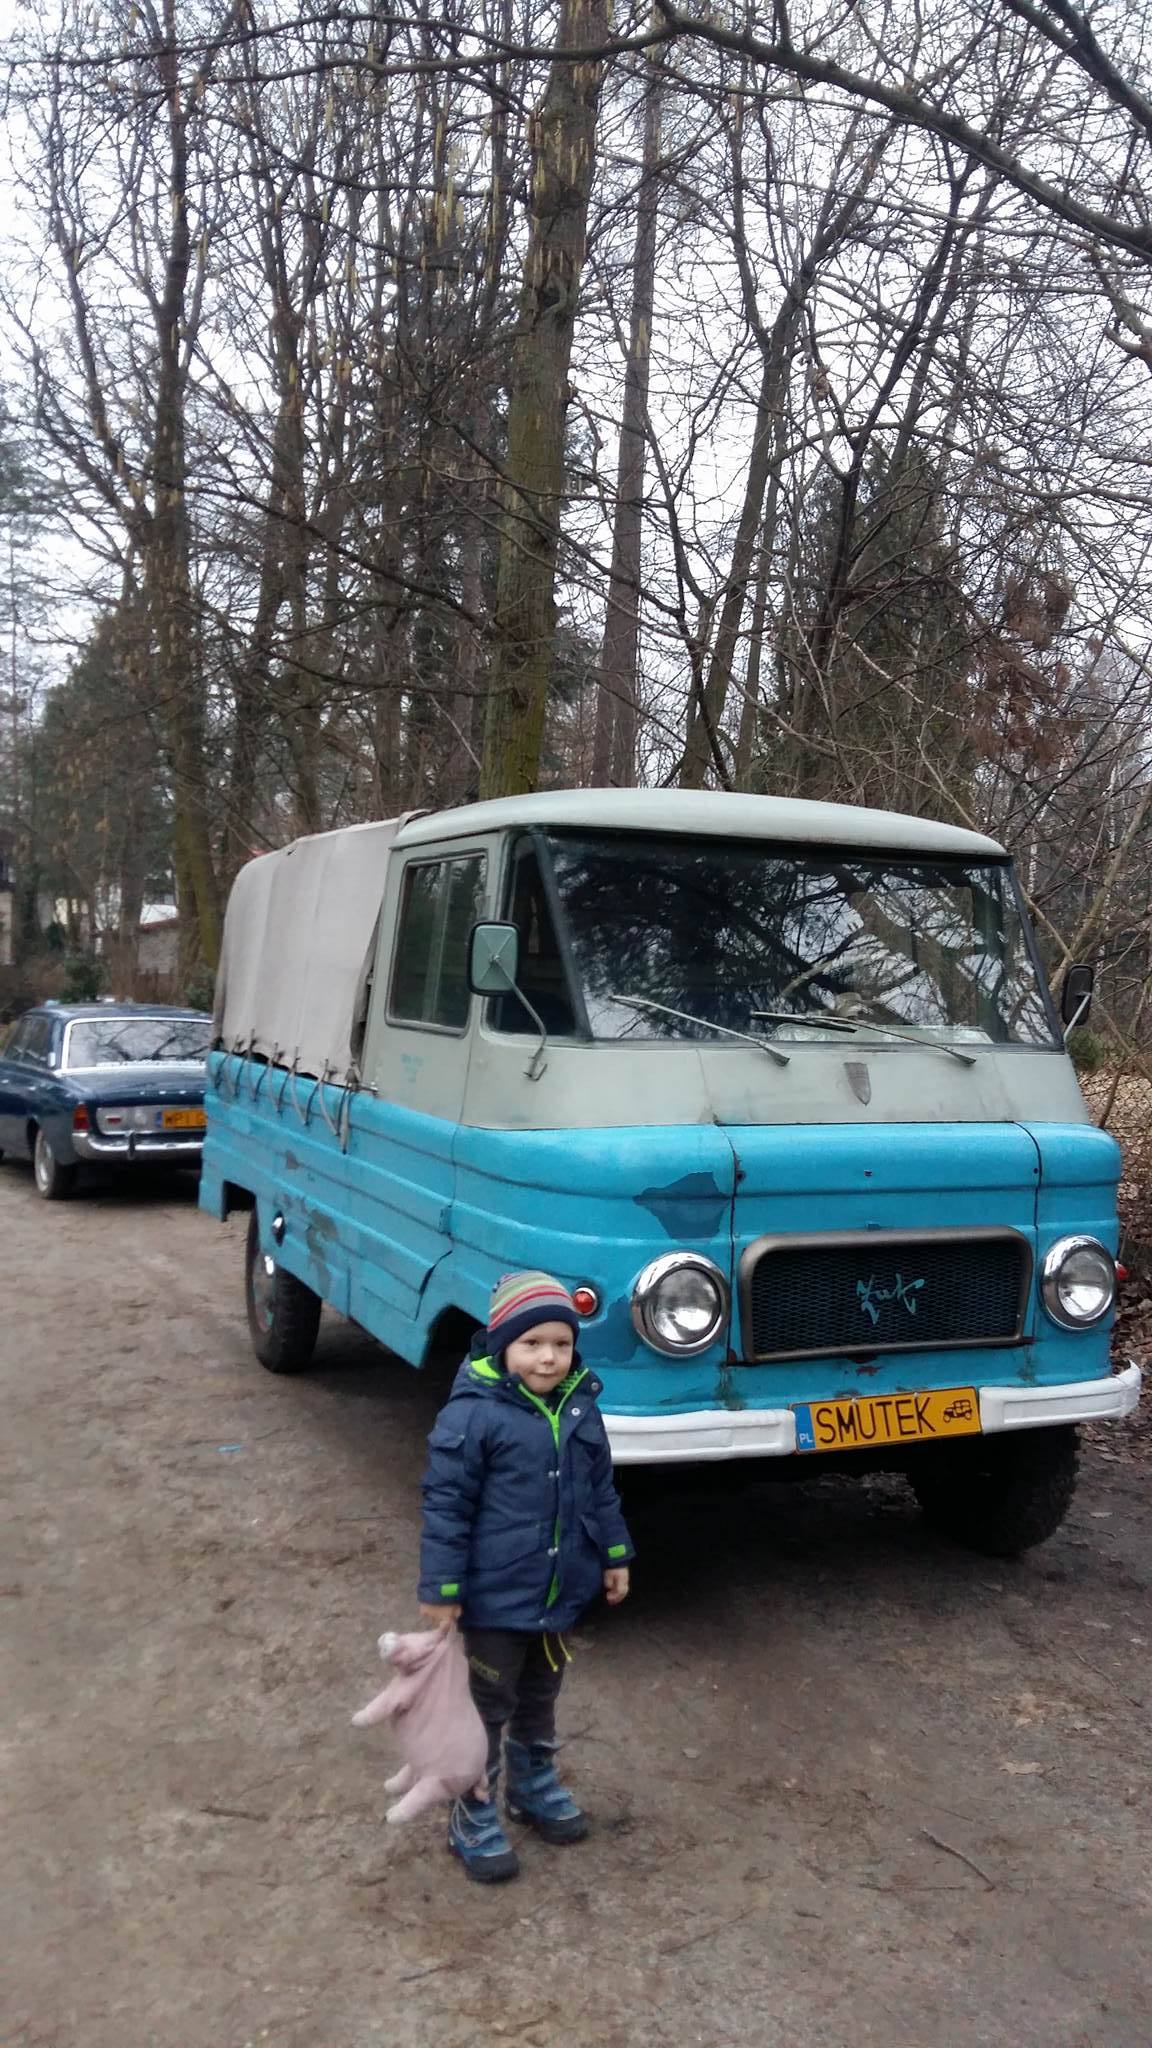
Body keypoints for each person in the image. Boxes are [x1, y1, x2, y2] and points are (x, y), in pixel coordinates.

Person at [418, 1270, 634, 1882]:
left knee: (541, 1695)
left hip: (559, 1591)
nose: (548, 1357)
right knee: (487, 1704)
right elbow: (446, 1508)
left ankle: (531, 1785)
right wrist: (443, 1590)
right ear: (502, 1345)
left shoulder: (580, 1408)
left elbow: (600, 1491)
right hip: (495, 1598)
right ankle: (472, 1810)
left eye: (561, 1344)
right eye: (532, 1343)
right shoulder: (473, 1416)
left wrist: (615, 1554)